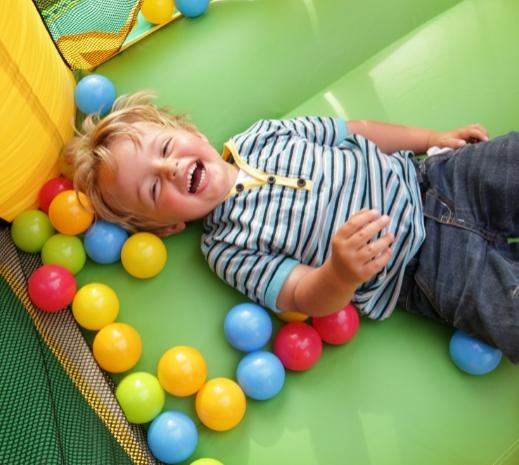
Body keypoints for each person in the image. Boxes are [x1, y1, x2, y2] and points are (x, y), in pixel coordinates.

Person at [67, 92, 519, 363]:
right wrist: (340, 273)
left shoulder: (263, 135)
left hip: (436, 179)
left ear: (194, 134)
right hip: (424, 270)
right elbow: (304, 295)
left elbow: (355, 130)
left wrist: (430, 139)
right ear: (166, 227)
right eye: (150, 188)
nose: (168, 168)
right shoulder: (225, 249)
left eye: (166, 146)